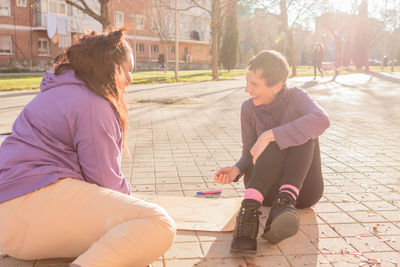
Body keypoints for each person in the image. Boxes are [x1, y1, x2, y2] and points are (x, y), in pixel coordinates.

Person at [0, 30, 176, 267]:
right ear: (112, 68)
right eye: (129, 70)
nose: (131, 78)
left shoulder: (57, 91)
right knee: (157, 223)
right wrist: (132, 211)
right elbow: (105, 180)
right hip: (34, 207)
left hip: (11, 224)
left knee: (123, 237)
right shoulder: (94, 104)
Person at [214, 50, 330, 254]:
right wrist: (237, 169)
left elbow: (322, 120)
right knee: (282, 136)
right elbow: (248, 153)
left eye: (254, 84)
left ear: (277, 85)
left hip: (304, 192)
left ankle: (284, 203)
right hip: (263, 191)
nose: (247, 89)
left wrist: (269, 135)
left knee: (303, 131)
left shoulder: (297, 97)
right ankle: (248, 214)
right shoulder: (248, 109)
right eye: (247, 82)